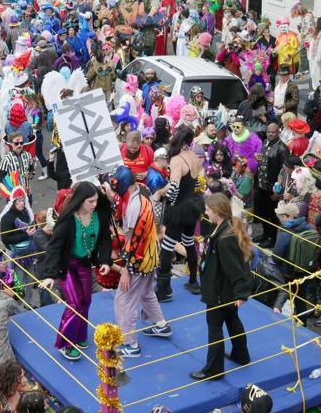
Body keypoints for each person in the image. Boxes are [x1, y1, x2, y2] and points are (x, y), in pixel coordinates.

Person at [37, 182, 113, 361]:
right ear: (80, 201)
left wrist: (105, 260)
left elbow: (105, 239)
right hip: (67, 265)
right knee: (74, 303)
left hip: (84, 263)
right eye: (90, 201)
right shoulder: (68, 220)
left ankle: (79, 336)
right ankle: (65, 343)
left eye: (96, 200)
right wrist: (50, 275)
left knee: (86, 300)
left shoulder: (99, 216)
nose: (94, 204)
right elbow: (54, 247)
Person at [107, 165, 170, 357]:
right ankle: (161, 325)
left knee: (123, 301)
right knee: (146, 292)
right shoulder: (143, 189)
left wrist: (126, 269)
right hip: (152, 252)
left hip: (139, 258)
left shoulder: (134, 206)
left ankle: (131, 344)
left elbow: (134, 241)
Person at [192, 192, 252, 380]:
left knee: (215, 327)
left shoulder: (225, 239)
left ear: (217, 212)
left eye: (208, 210)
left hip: (220, 291)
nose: (206, 213)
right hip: (224, 290)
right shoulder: (223, 229)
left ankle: (214, 369)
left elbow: (235, 269)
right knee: (232, 321)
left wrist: (241, 293)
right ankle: (241, 355)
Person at [156, 126, 205, 301]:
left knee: (167, 247)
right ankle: (193, 281)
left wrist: (167, 203)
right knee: (189, 243)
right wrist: (162, 192)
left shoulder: (177, 159)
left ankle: (164, 290)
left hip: (179, 209)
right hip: (192, 207)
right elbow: (191, 184)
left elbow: (175, 187)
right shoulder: (194, 157)